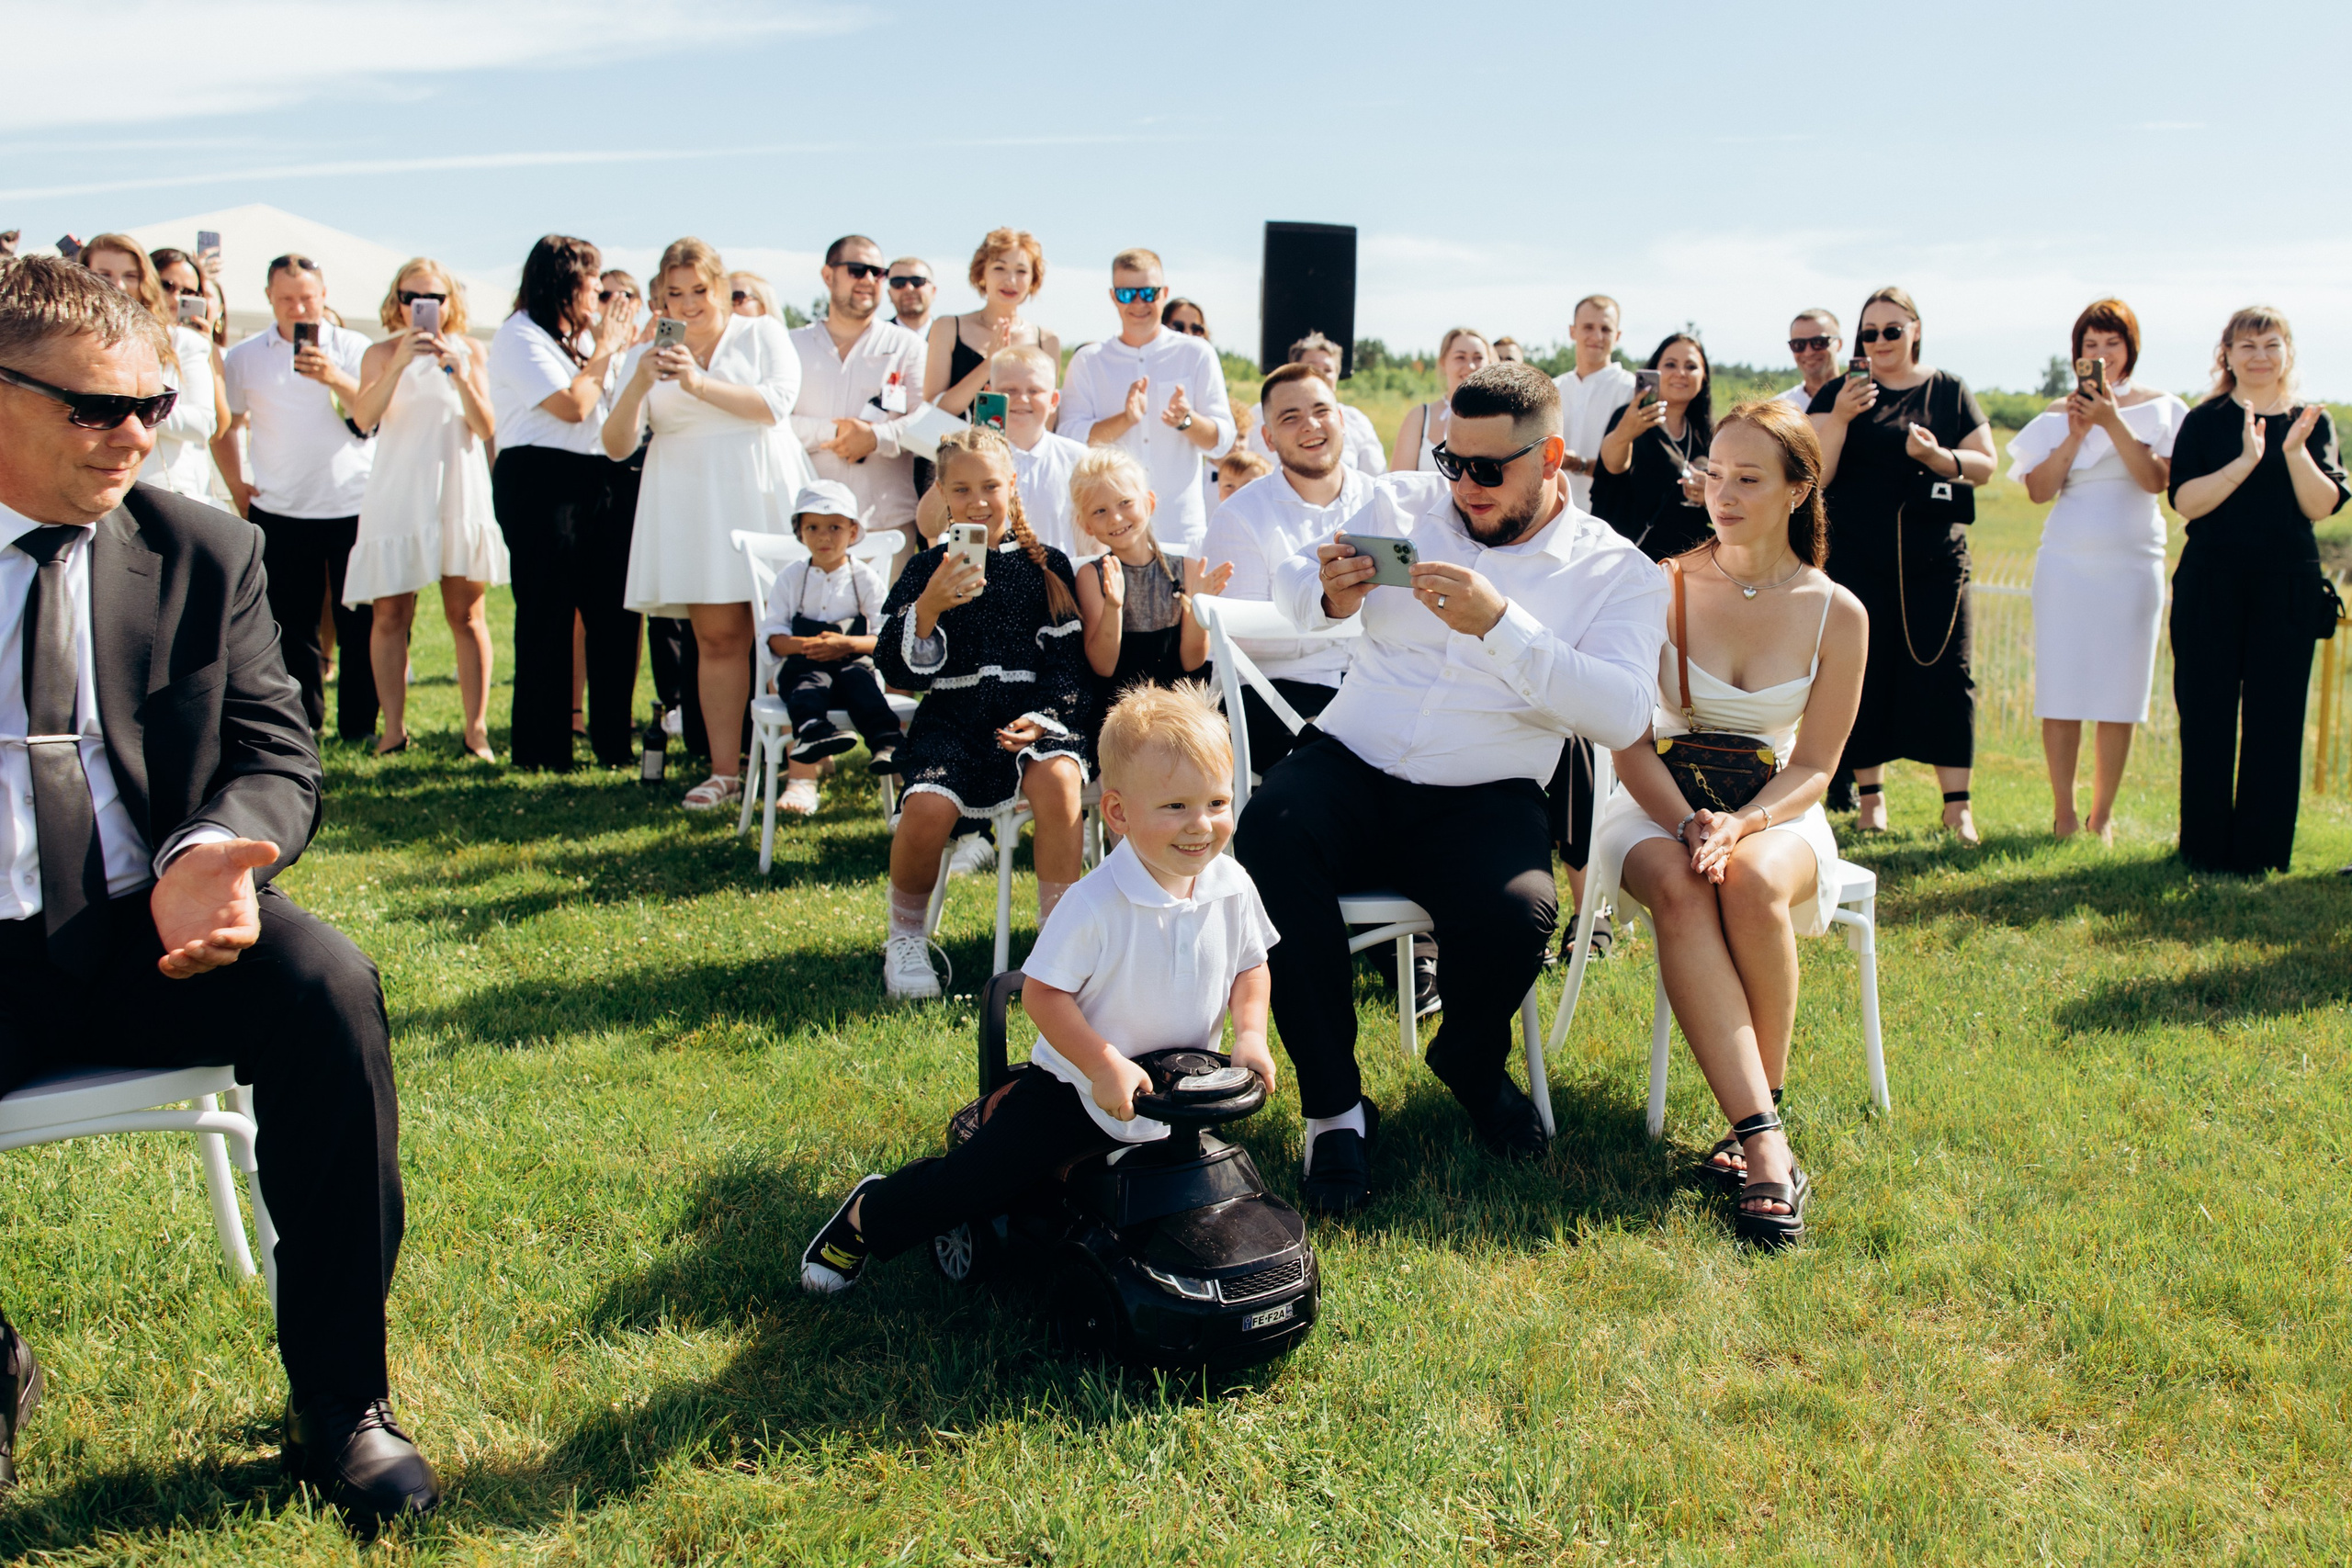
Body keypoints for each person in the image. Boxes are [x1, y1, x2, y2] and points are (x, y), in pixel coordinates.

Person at [0, 255, 437, 1529]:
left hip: (154, 933)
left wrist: (213, 852)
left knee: (326, 983)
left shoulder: (203, 549)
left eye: (152, 406)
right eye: (96, 408)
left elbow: (275, 748)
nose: (132, 434)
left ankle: (343, 1404)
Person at [1232, 364, 1667, 1213]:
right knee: (1269, 830)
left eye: (1489, 468)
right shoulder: (1399, 505)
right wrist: (1323, 591)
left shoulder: (1613, 569)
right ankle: (1334, 1111)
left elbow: (1622, 711)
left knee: (1519, 912)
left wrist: (1504, 628)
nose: (1464, 485)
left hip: (1486, 783)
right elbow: (1287, 592)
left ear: (1554, 457)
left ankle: (1467, 1058)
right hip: (1354, 752)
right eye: (1451, 460)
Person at [799, 680, 1275, 1294]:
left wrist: (1251, 1034)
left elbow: (1250, 965)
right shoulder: (1095, 903)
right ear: (1119, 813)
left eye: (1216, 802)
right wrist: (1102, 1064)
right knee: (984, 1178)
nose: (1201, 826)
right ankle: (871, 1214)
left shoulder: (1230, 885)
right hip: (1075, 1087)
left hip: (1175, 1088)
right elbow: (1041, 995)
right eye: (1176, 807)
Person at [1592, 398, 1866, 1247]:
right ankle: (1766, 1143)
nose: (1724, 491)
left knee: (1748, 878)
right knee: (1683, 881)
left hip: (1775, 802)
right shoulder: (1661, 582)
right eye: (1716, 473)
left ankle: (1756, 1115)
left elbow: (1817, 766)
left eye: (1749, 478)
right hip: (1652, 798)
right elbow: (1628, 744)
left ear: (1798, 489)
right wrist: (1687, 824)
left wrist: (1740, 826)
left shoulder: (1838, 612)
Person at [873, 426, 1089, 1001]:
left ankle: (1059, 942)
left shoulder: (1047, 566)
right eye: (962, 488)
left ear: (1012, 485)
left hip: (1030, 721)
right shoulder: (927, 570)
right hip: (953, 719)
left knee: (1061, 780)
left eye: (990, 485)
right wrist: (930, 607)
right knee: (926, 806)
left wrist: (1045, 719)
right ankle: (907, 937)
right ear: (941, 492)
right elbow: (896, 669)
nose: (977, 501)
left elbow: (1069, 667)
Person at [609, 237, 813, 812]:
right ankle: (725, 769)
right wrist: (639, 383)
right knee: (716, 638)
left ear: (720, 287)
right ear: (660, 298)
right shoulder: (645, 354)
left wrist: (698, 383)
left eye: (700, 289)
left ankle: (801, 770)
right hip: (688, 497)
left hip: (759, 483)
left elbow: (776, 404)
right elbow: (616, 444)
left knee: (784, 629)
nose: (690, 302)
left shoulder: (761, 332)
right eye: (675, 293)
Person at [1808, 287, 1996, 844]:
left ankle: (1956, 807)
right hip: (1860, 560)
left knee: (1950, 673)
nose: (1881, 341)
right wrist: (1839, 416)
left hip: (1936, 560)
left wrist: (1940, 458)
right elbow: (1817, 477)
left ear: (1916, 329)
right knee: (1866, 675)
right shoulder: (1841, 393)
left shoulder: (1950, 389)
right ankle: (1872, 802)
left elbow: (1985, 464)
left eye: (1893, 330)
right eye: (1870, 332)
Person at [2166, 306, 2348, 874]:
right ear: (2227, 355)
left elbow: (2321, 506)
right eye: (2247, 346)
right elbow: (2185, 503)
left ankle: (2261, 855)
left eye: (2271, 345)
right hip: (2209, 585)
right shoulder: (2204, 421)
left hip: (2287, 590)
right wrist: (2246, 461)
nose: (2260, 356)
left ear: (2288, 352)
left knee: (2276, 719)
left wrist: (2291, 452)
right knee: (2206, 714)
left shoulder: (2313, 423)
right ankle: (2202, 849)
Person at [2007, 299, 2188, 842]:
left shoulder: (2161, 409)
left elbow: (2157, 481)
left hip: (2133, 561)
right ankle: (2064, 811)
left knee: (2120, 690)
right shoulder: (2057, 414)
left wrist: (2112, 420)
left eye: (2112, 343)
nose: (2101, 354)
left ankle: (2102, 815)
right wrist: (2079, 431)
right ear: (2077, 354)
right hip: (2066, 562)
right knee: (2061, 686)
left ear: (2130, 347)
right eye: (2091, 345)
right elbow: (2039, 490)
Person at [486, 235, 642, 771]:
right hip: (540, 478)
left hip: (601, 477)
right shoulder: (519, 336)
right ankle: (541, 748)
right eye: (593, 283)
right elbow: (573, 406)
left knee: (615, 614)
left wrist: (608, 347)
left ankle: (613, 742)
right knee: (547, 613)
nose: (601, 295)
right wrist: (606, 348)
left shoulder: (576, 342)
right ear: (564, 282)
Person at [343, 259, 506, 761]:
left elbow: (484, 426)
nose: (423, 307)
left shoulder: (471, 350)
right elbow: (364, 417)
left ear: (450, 303)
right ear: (398, 302)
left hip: (457, 486)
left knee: (467, 612)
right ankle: (393, 730)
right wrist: (399, 363)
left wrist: (456, 373)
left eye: (433, 298)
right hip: (398, 489)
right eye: (412, 297)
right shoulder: (378, 352)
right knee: (390, 612)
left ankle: (475, 730)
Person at [214, 254, 379, 741]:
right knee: (291, 625)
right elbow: (228, 425)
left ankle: (360, 724)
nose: (298, 307)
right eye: (287, 298)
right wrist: (236, 484)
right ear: (269, 299)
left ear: (324, 295)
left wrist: (334, 377)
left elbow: (370, 416)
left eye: (307, 297)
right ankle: (303, 721)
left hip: (353, 503)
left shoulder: (354, 347)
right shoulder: (244, 356)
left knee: (359, 622)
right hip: (280, 506)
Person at [1203, 361, 1374, 770]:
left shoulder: (1380, 500)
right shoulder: (1239, 515)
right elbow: (1239, 635)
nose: (1310, 425)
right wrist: (1333, 615)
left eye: (1321, 411)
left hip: (1368, 683)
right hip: (1270, 693)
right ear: (1269, 437)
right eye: (1290, 417)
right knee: (1342, 764)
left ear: (1342, 419)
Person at [1060, 248, 1236, 552]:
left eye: (1148, 292)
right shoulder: (1088, 361)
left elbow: (1222, 440)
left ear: (1164, 293)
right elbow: (1069, 441)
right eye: (1128, 294)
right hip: (1110, 535)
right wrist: (1124, 420)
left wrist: (1187, 421)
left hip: (1180, 529)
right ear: (1114, 297)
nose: (1139, 303)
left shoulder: (1196, 353)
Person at [761, 479, 903, 816]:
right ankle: (813, 731)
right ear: (800, 532)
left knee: (860, 681)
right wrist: (806, 646)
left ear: (853, 532)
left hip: (851, 666)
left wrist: (847, 643)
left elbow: (887, 635)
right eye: (813, 527)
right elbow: (773, 635)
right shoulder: (791, 578)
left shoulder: (864, 578)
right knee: (805, 683)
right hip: (805, 664)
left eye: (835, 527)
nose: (824, 537)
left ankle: (887, 742)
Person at [786, 236, 927, 575]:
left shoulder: (906, 345)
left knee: (886, 628)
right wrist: (834, 433)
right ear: (827, 275)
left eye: (878, 273)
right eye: (857, 270)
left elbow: (927, 420)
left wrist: (876, 438)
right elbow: (774, 421)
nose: (868, 280)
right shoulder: (792, 344)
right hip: (807, 528)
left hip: (887, 526)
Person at [1072, 446, 1226, 711]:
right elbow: (1103, 666)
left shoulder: (1186, 569)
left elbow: (1192, 661)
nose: (1116, 518)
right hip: (1121, 715)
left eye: (1125, 502)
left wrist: (1200, 608)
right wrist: (1113, 606)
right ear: (1086, 524)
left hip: (1179, 710)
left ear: (1150, 503)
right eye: (1100, 511)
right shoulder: (1092, 576)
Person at [76, 237, 225, 504]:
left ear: (144, 279)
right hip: (87, 489)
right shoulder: (68, 341)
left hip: (160, 495)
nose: (118, 285)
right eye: (104, 274)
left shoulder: (182, 342)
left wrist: (129, 407)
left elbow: (205, 424)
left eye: (130, 275)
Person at [1592, 333, 1715, 561]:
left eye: (1691, 366)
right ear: (1655, 371)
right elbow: (1613, 465)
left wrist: (1711, 492)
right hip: (1630, 561)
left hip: (1687, 565)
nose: (1680, 373)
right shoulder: (1630, 417)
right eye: (1670, 364)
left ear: (1704, 376)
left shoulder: (1707, 434)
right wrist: (1624, 434)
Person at [922, 228, 1059, 419]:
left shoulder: (1047, 340)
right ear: (981, 273)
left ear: (1033, 279)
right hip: (956, 447)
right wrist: (989, 365)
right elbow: (933, 412)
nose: (1010, 280)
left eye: (1021, 271)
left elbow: (1047, 421)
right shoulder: (947, 327)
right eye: (999, 268)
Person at [1246, 333, 1386, 477]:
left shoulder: (1356, 420)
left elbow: (1375, 475)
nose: (1321, 375)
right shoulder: (1257, 416)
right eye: (1312, 367)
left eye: (1328, 370)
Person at [1554, 297, 1635, 512]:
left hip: (1609, 513)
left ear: (1617, 336)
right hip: (1553, 512)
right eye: (1588, 327)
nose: (1597, 336)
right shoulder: (1553, 388)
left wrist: (1579, 464)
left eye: (1606, 329)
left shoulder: (1632, 390)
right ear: (1573, 331)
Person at [1390, 327, 1491, 472]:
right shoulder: (1420, 418)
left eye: (1478, 357)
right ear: (1443, 362)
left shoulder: (1504, 418)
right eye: (1460, 357)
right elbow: (1398, 486)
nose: (1470, 366)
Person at [1778, 309, 1845, 411]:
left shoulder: (1863, 399)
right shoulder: (1780, 409)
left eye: (1818, 342)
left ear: (1839, 344)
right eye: (1798, 344)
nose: (1808, 352)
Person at [885, 256, 935, 336]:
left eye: (917, 281)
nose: (909, 288)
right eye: (898, 283)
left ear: (933, 291)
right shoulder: (874, 338)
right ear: (889, 294)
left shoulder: (951, 335)